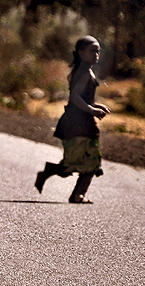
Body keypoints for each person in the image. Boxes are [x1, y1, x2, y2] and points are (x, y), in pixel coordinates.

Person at [35, 36, 110, 203]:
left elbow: (82, 98)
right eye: (92, 51)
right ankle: (52, 175)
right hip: (77, 124)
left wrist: (97, 106)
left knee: (90, 159)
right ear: (81, 53)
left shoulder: (85, 71)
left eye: (98, 51)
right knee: (79, 161)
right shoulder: (83, 73)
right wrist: (92, 109)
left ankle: (77, 194)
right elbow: (75, 97)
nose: (96, 54)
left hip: (82, 123)